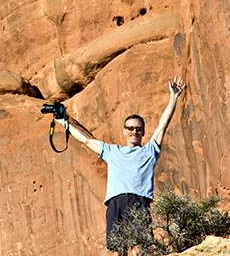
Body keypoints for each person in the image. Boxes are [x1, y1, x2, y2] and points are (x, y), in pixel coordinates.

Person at [58, 76, 185, 255]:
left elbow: (163, 125)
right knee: (116, 251)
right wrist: (64, 123)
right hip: (115, 202)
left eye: (138, 129)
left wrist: (173, 98)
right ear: (125, 131)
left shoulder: (150, 151)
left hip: (139, 201)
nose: (135, 131)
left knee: (138, 249)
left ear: (143, 132)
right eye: (131, 128)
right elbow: (86, 140)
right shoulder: (112, 151)